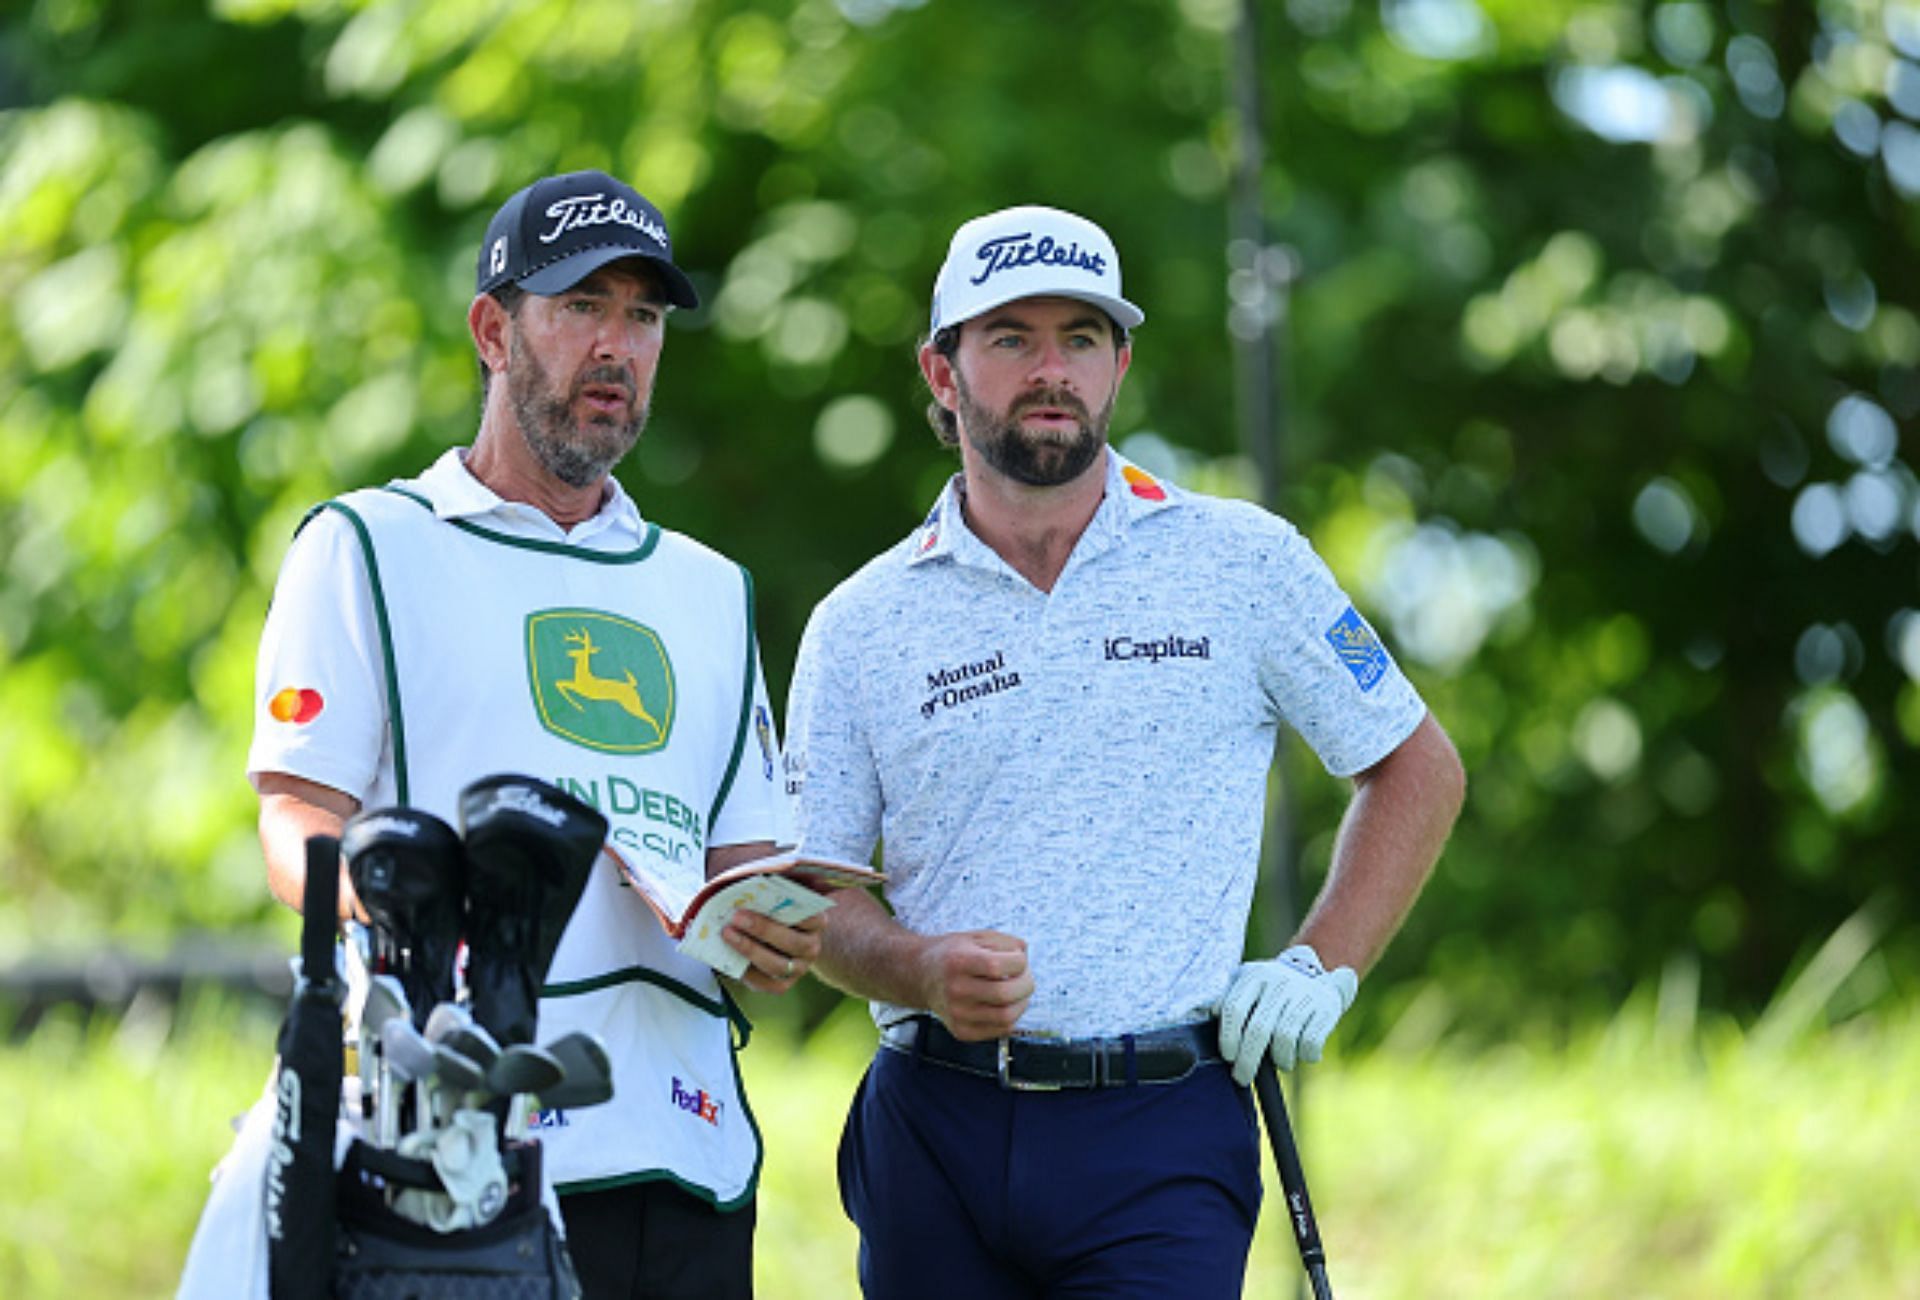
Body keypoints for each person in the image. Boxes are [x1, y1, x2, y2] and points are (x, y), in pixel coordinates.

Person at [783, 204, 1466, 1298]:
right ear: (942, 370)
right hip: (933, 1130)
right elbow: (810, 896)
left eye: (1082, 337)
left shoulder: (1242, 560)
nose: (1052, 369)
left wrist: (1318, 964)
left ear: (1121, 364)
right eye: (1010, 337)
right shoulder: (860, 622)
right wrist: (916, 967)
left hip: (1162, 1125)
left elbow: (1415, 766)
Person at [247, 169, 820, 1300]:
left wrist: (775, 930)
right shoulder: (364, 545)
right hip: (454, 1151)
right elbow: (295, 820)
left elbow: (739, 862)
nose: (617, 345)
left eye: (644, 317)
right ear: (492, 331)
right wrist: (404, 893)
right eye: (580, 308)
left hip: (682, 1148)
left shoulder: (711, 589)